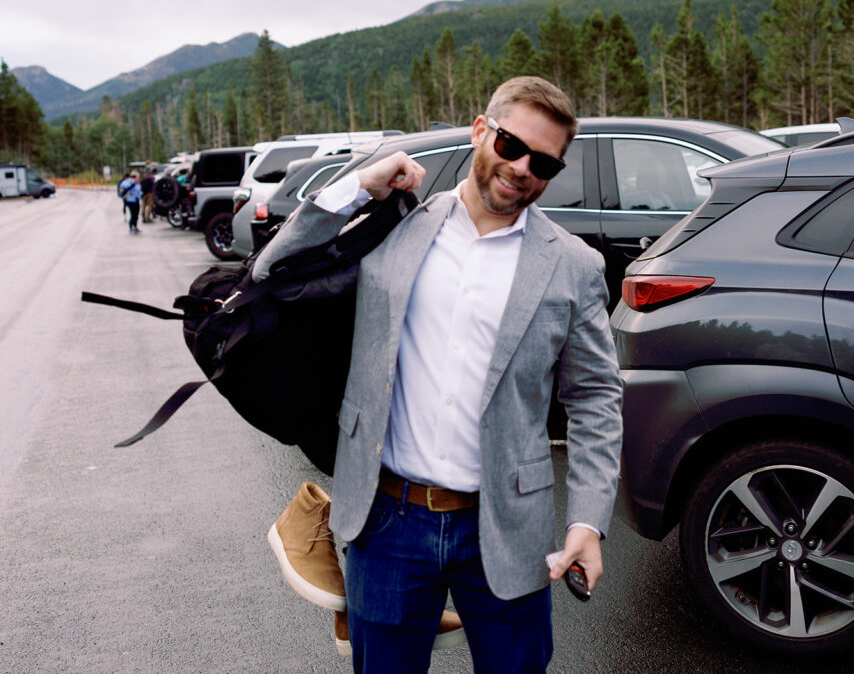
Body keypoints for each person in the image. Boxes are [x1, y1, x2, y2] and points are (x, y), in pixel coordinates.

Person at [255, 77, 623, 673]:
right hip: (387, 520)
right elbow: (275, 268)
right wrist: (356, 187)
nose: (522, 168)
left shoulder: (573, 266)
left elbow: (596, 398)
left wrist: (587, 521)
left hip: (506, 526)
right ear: (481, 131)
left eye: (544, 162)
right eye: (510, 145)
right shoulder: (394, 227)